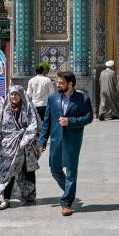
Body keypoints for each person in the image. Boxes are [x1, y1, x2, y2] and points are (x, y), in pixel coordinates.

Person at [39, 71, 94, 217]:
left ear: (70, 84)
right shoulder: (52, 99)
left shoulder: (82, 98)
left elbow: (89, 118)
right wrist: (42, 140)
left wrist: (70, 122)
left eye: (61, 82)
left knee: (71, 172)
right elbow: (47, 121)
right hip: (56, 140)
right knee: (55, 170)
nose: (58, 84)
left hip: (72, 140)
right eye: (57, 82)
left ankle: (66, 203)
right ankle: (69, 191)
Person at [0, 85, 41, 210]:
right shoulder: (5, 109)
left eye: (16, 94)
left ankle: (30, 194)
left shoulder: (28, 108)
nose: (13, 97)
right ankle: (6, 199)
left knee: (27, 170)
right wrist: (1, 143)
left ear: (21, 95)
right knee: (8, 172)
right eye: (12, 94)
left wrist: (25, 140)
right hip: (9, 145)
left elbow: (34, 125)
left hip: (25, 146)